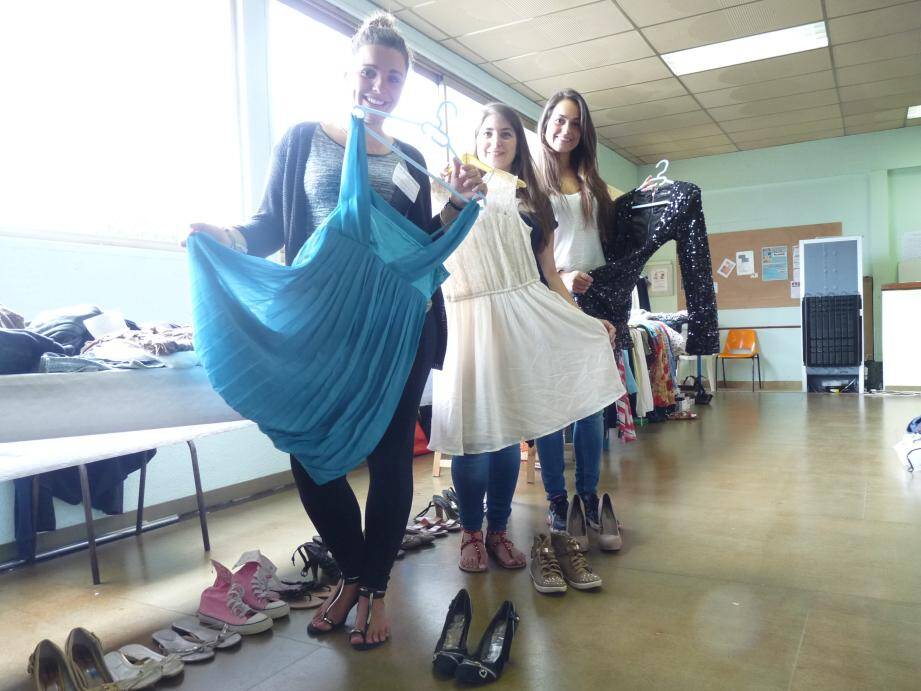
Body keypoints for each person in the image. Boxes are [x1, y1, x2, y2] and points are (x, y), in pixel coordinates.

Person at [185, 13, 484, 650]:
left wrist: (457, 204)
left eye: (393, 78)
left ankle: (375, 588)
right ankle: (351, 573)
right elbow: (268, 226)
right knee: (309, 455)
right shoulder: (302, 139)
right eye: (370, 72)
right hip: (320, 327)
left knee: (389, 458)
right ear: (349, 73)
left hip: (392, 334)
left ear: (404, 87)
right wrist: (226, 237)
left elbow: (423, 251)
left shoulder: (411, 159)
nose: (380, 86)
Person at [429, 103, 622, 573]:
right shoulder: (446, 185)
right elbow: (430, 245)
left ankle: (498, 530)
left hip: (518, 316)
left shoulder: (532, 198)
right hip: (468, 320)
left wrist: (582, 318)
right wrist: (453, 198)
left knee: (508, 433)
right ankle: (469, 533)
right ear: (475, 139)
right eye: (488, 134)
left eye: (506, 135)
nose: (496, 143)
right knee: (474, 437)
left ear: (520, 142)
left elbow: (550, 273)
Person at [534, 88, 620, 534]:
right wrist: (562, 277)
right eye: (559, 120)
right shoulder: (531, 181)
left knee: (591, 404)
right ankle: (555, 500)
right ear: (546, 121)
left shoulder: (594, 184)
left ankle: (588, 496)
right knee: (552, 407)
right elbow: (526, 253)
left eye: (575, 123)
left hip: (595, 299)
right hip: (551, 299)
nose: (565, 130)